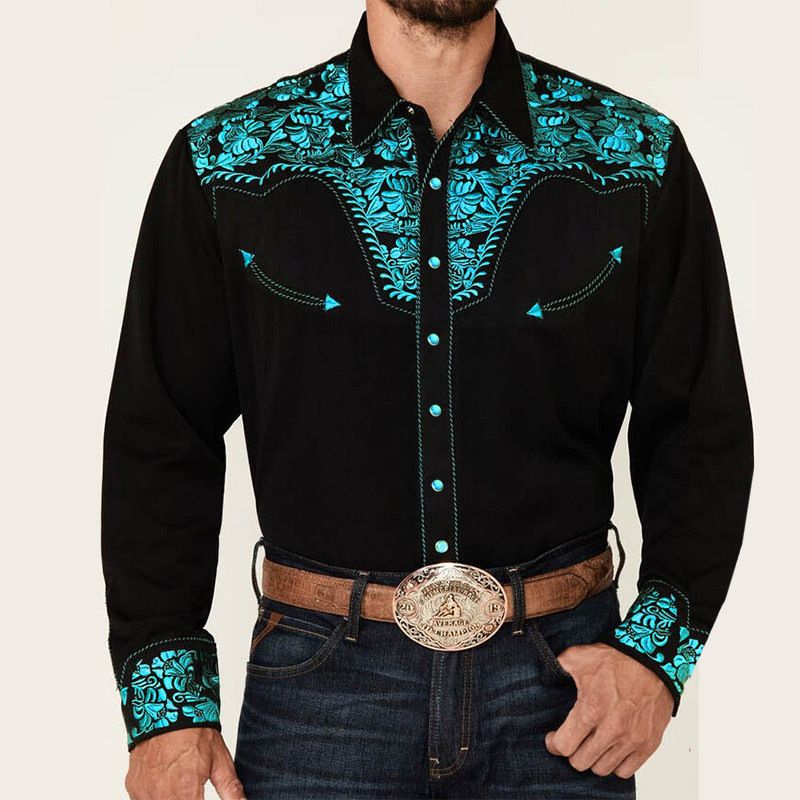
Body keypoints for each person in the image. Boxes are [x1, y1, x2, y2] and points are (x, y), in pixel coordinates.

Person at [101, 1, 754, 797]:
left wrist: (656, 657)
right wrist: (167, 709)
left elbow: (700, 428)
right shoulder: (226, 163)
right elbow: (161, 438)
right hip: (320, 703)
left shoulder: (634, 157)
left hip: (562, 693)